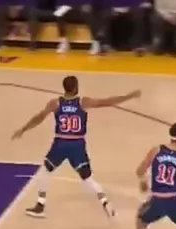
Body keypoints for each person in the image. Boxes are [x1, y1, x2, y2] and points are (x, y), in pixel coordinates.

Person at [11, 76, 140, 219]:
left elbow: (39, 117)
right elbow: (107, 102)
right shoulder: (83, 102)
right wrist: (129, 96)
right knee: (87, 177)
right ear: (76, 88)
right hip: (77, 144)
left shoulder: (55, 103)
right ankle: (104, 201)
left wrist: (23, 129)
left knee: (46, 170)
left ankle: (40, 205)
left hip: (60, 143)